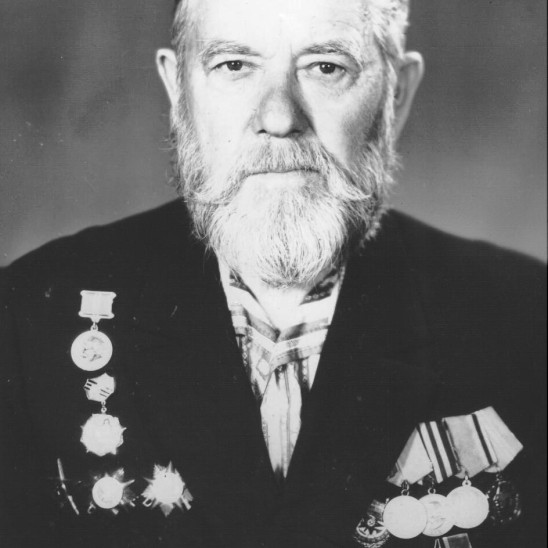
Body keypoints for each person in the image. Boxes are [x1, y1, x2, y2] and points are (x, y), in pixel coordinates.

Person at [0, 0, 545, 547]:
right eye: (235, 65)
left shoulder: (528, 318)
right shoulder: (28, 317)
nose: (280, 117)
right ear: (178, 89)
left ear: (395, 95)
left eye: (326, 67)